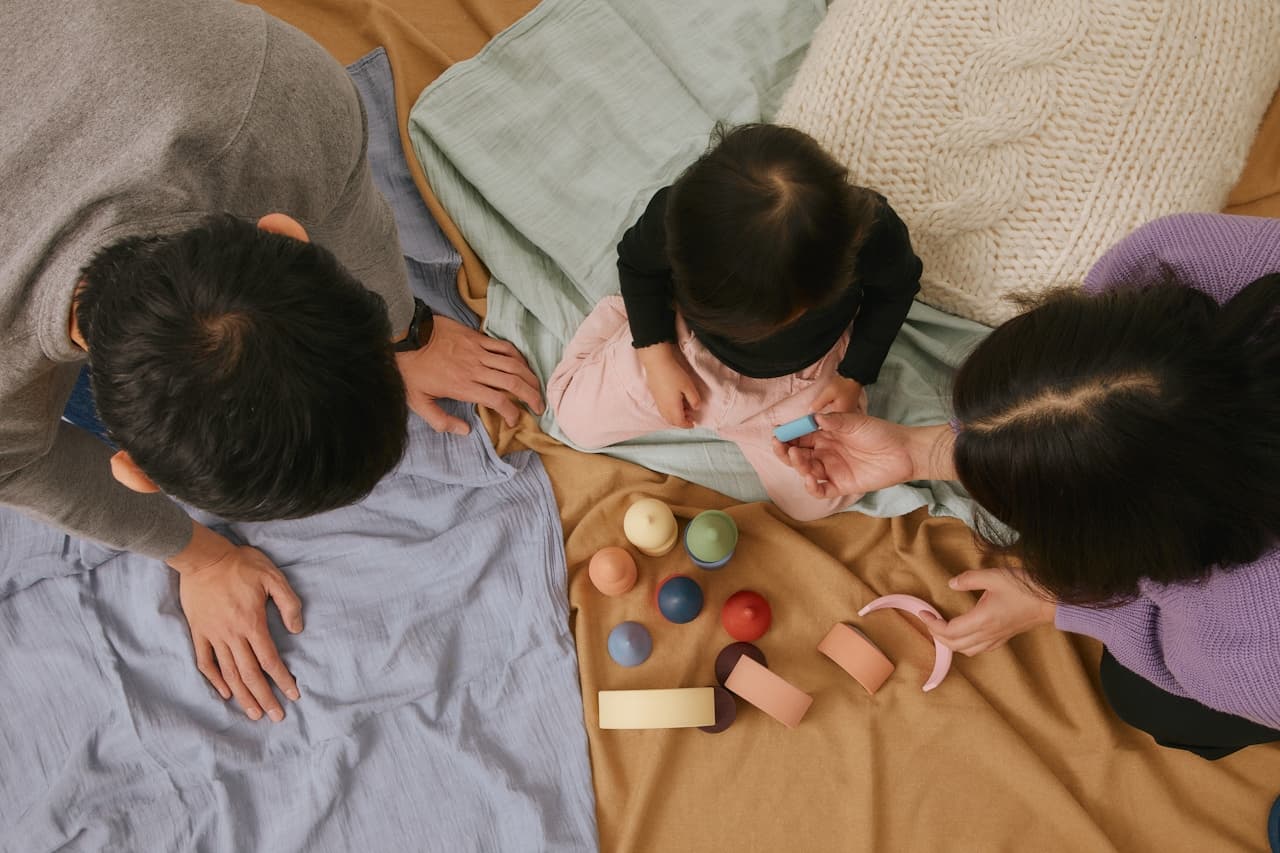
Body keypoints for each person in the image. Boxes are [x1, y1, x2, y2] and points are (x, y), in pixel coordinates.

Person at [1, 0, 543, 723]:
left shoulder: (264, 92)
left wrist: (406, 336)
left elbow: (347, 200)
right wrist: (197, 555)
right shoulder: (267, 100)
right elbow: (21, 467)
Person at [775, 212, 1280, 760]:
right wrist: (919, 451)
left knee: (1143, 699)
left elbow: (1176, 649)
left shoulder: (1255, 653)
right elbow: (1088, 416)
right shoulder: (1183, 255)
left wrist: (1055, 605)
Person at [548, 123, 922, 520]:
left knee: (822, 496)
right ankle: (625, 320)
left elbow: (895, 291)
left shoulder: (871, 236)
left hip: (804, 380)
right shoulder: (677, 216)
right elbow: (638, 266)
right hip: (687, 347)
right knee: (574, 421)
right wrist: (656, 354)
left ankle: (750, 424)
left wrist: (852, 376)